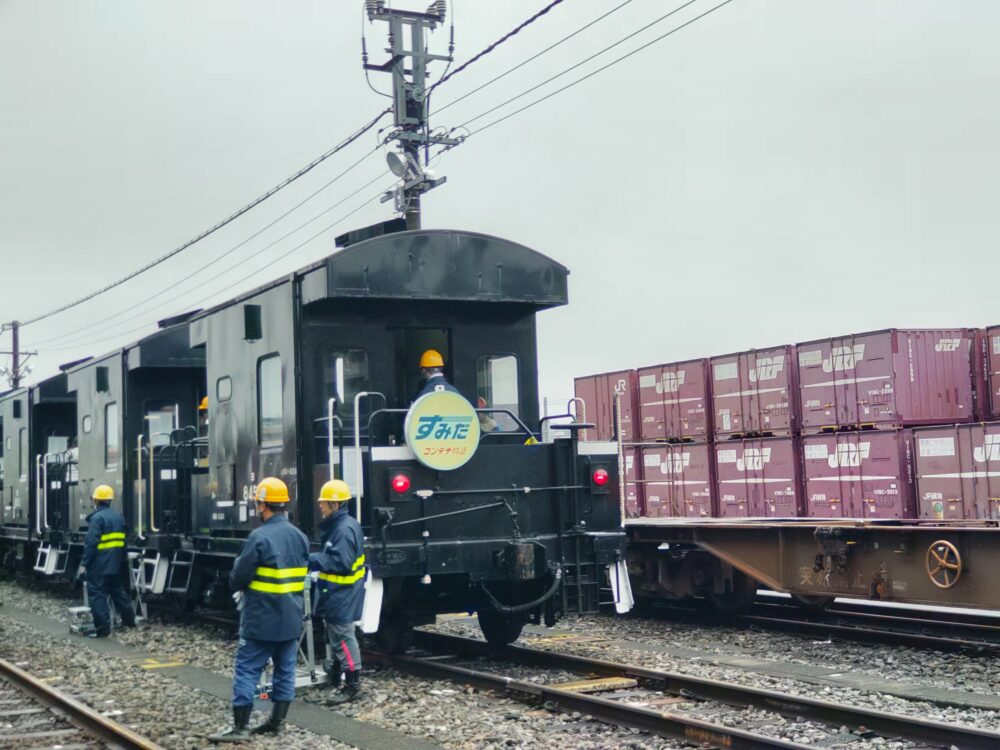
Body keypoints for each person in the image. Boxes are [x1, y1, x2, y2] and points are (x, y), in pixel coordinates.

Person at [210, 477, 310, 742]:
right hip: (290, 618)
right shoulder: (300, 537)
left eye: (258, 503)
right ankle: (277, 723)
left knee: (247, 669)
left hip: (260, 619)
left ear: (263, 504)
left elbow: (239, 577)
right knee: (285, 670)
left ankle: (241, 727)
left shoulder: (259, 537)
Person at [308, 479, 366, 706]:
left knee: (343, 635)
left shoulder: (343, 529)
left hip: (342, 593)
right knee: (336, 633)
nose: (320, 507)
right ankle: (336, 671)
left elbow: (341, 562)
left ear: (335, 504)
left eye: (323, 503)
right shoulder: (343, 525)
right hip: (337, 592)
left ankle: (353, 684)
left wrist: (311, 559)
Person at [81, 484, 136, 637]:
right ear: (109, 501)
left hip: (98, 566)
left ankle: (103, 629)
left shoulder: (97, 519)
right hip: (115, 564)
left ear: (97, 501)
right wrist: (122, 560)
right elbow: (123, 542)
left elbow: (91, 544)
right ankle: (130, 621)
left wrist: (84, 564)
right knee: (118, 592)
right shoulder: (118, 517)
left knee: (97, 595)